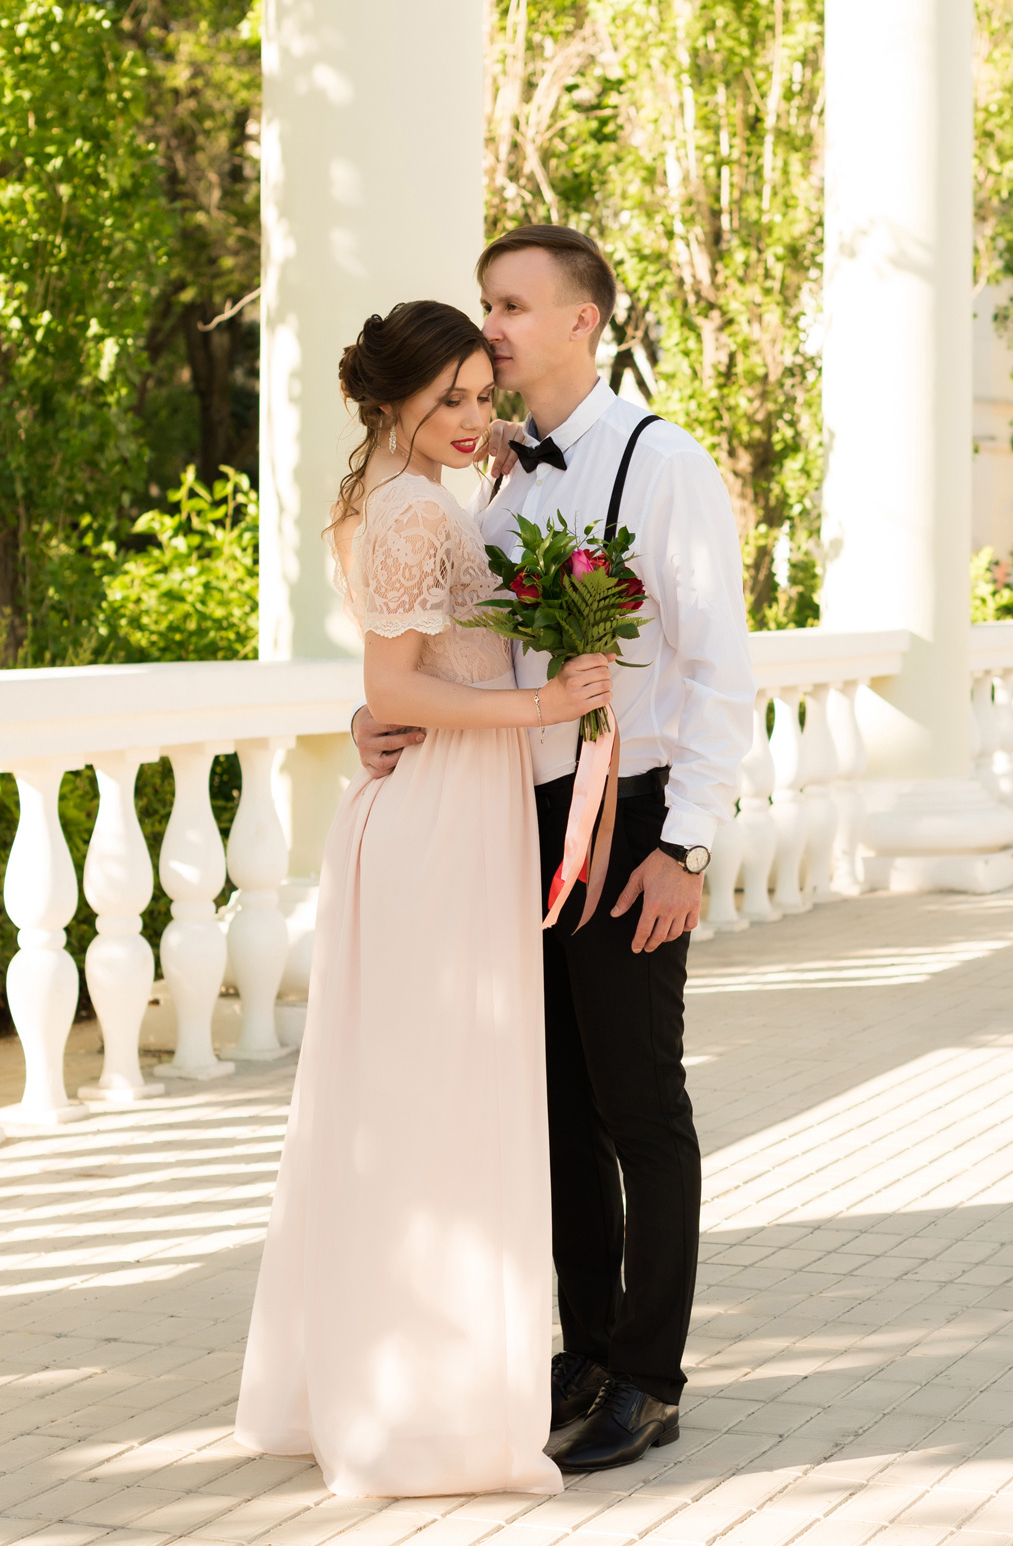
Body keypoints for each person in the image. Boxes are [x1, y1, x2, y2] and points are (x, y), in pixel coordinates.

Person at [352, 226, 754, 1473]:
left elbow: (721, 669)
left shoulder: (662, 462)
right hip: (516, 819)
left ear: (583, 321)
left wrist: (683, 844)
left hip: (627, 814)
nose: (496, 330)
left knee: (643, 1103)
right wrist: (377, 712)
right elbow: (450, 649)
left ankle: (650, 1375)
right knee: (561, 1104)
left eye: (515, 306)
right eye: (488, 306)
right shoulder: (502, 477)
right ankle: (585, 1349)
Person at [236, 301, 616, 1497]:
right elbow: (399, 680)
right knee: (433, 1105)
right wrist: (541, 708)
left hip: (453, 810)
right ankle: (415, 1410)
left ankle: (399, 1383)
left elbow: (415, 672)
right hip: (442, 816)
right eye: (447, 397)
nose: (474, 416)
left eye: (480, 393)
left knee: (423, 1103)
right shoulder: (404, 513)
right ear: (392, 401)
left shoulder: (409, 497)